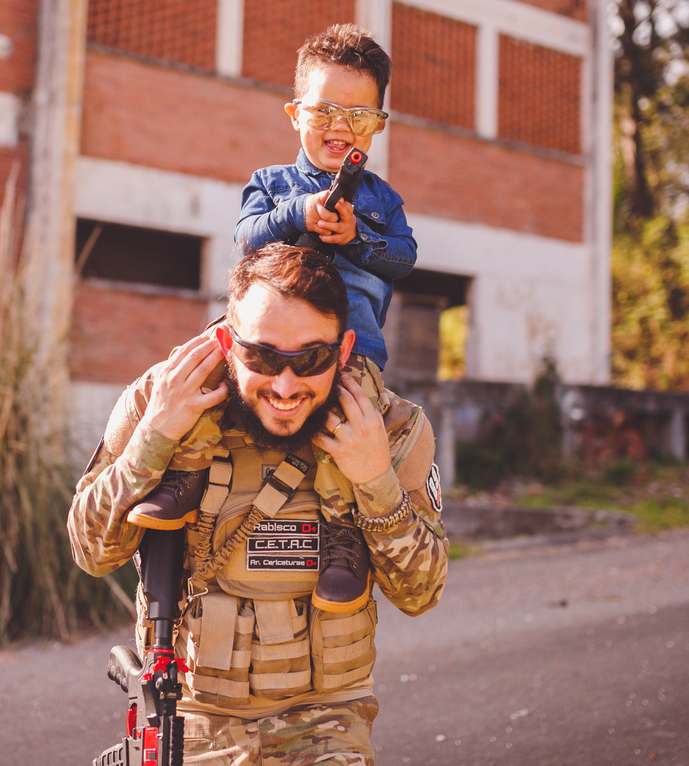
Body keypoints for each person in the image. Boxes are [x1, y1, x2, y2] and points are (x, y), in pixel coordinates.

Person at [69, 244, 447, 766]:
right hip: (193, 716)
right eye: (263, 357)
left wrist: (375, 480)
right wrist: (152, 441)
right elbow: (91, 551)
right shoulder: (166, 399)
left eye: (311, 358)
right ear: (228, 342)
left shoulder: (391, 426)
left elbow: (421, 593)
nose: (286, 385)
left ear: (343, 350)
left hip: (327, 720)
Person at [125, 24, 415, 616]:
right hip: (257, 336)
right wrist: (299, 213)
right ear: (294, 114)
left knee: (353, 417)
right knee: (201, 367)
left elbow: (403, 258)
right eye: (327, 110)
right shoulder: (270, 183)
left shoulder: (381, 198)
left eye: (361, 116)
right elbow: (246, 236)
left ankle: (343, 536)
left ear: (379, 125)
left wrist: (358, 238)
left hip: (346, 348)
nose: (342, 126)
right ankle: (185, 474)